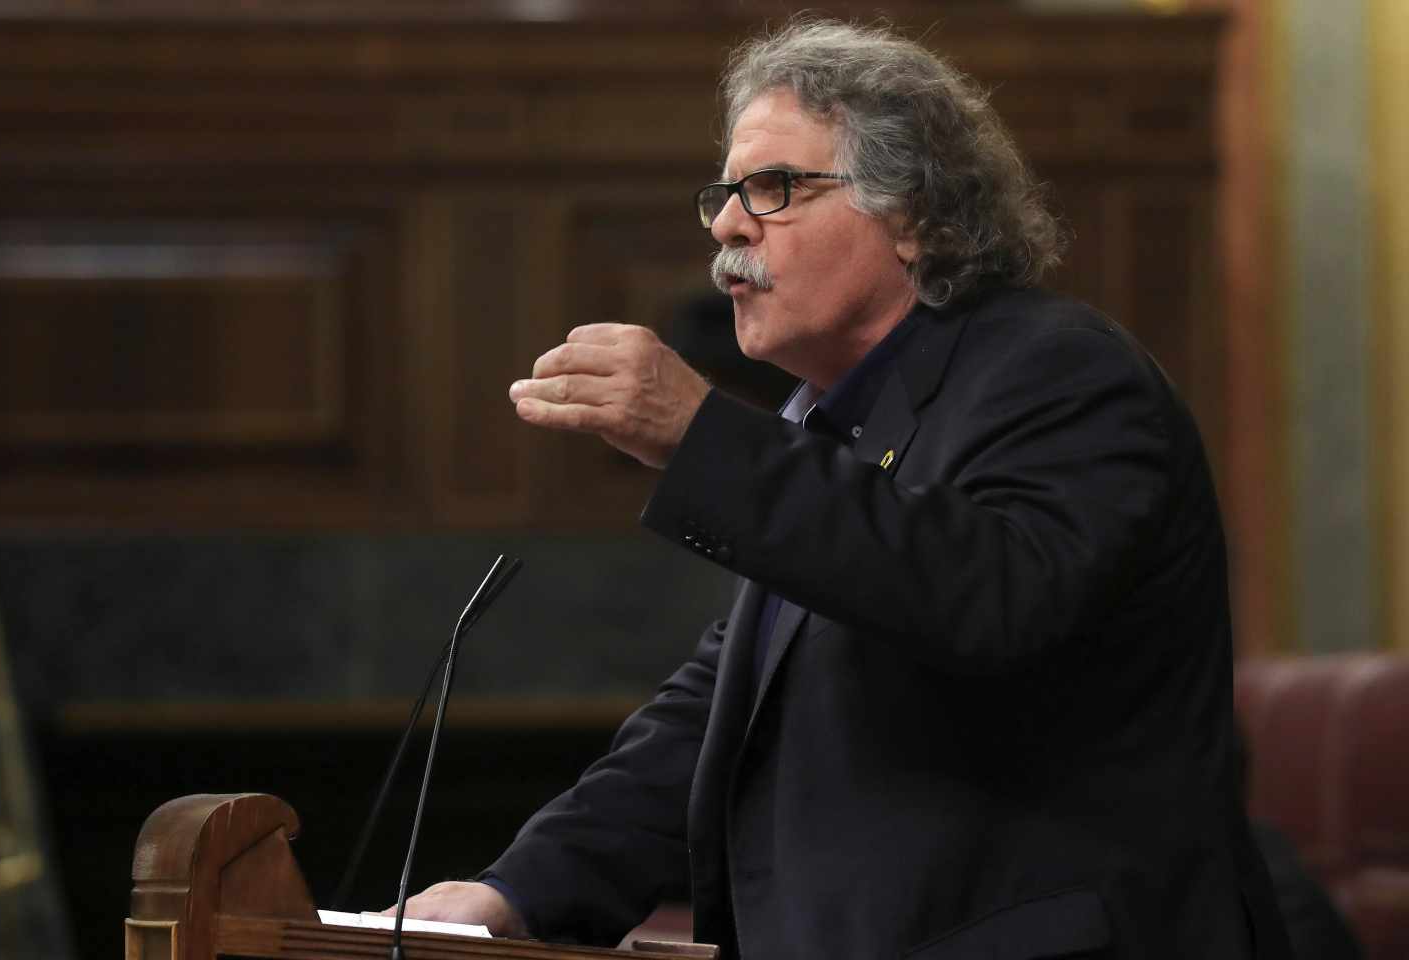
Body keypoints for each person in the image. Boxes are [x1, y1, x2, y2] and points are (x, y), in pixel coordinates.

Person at [397, 18, 1292, 959]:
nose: (726, 223)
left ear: (914, 218)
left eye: (774, 189)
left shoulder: (1061, 373)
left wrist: (702, 436)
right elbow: (717, 720)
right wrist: (515, 893)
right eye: (729, 192)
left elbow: (989, 597)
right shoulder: (820, 424)